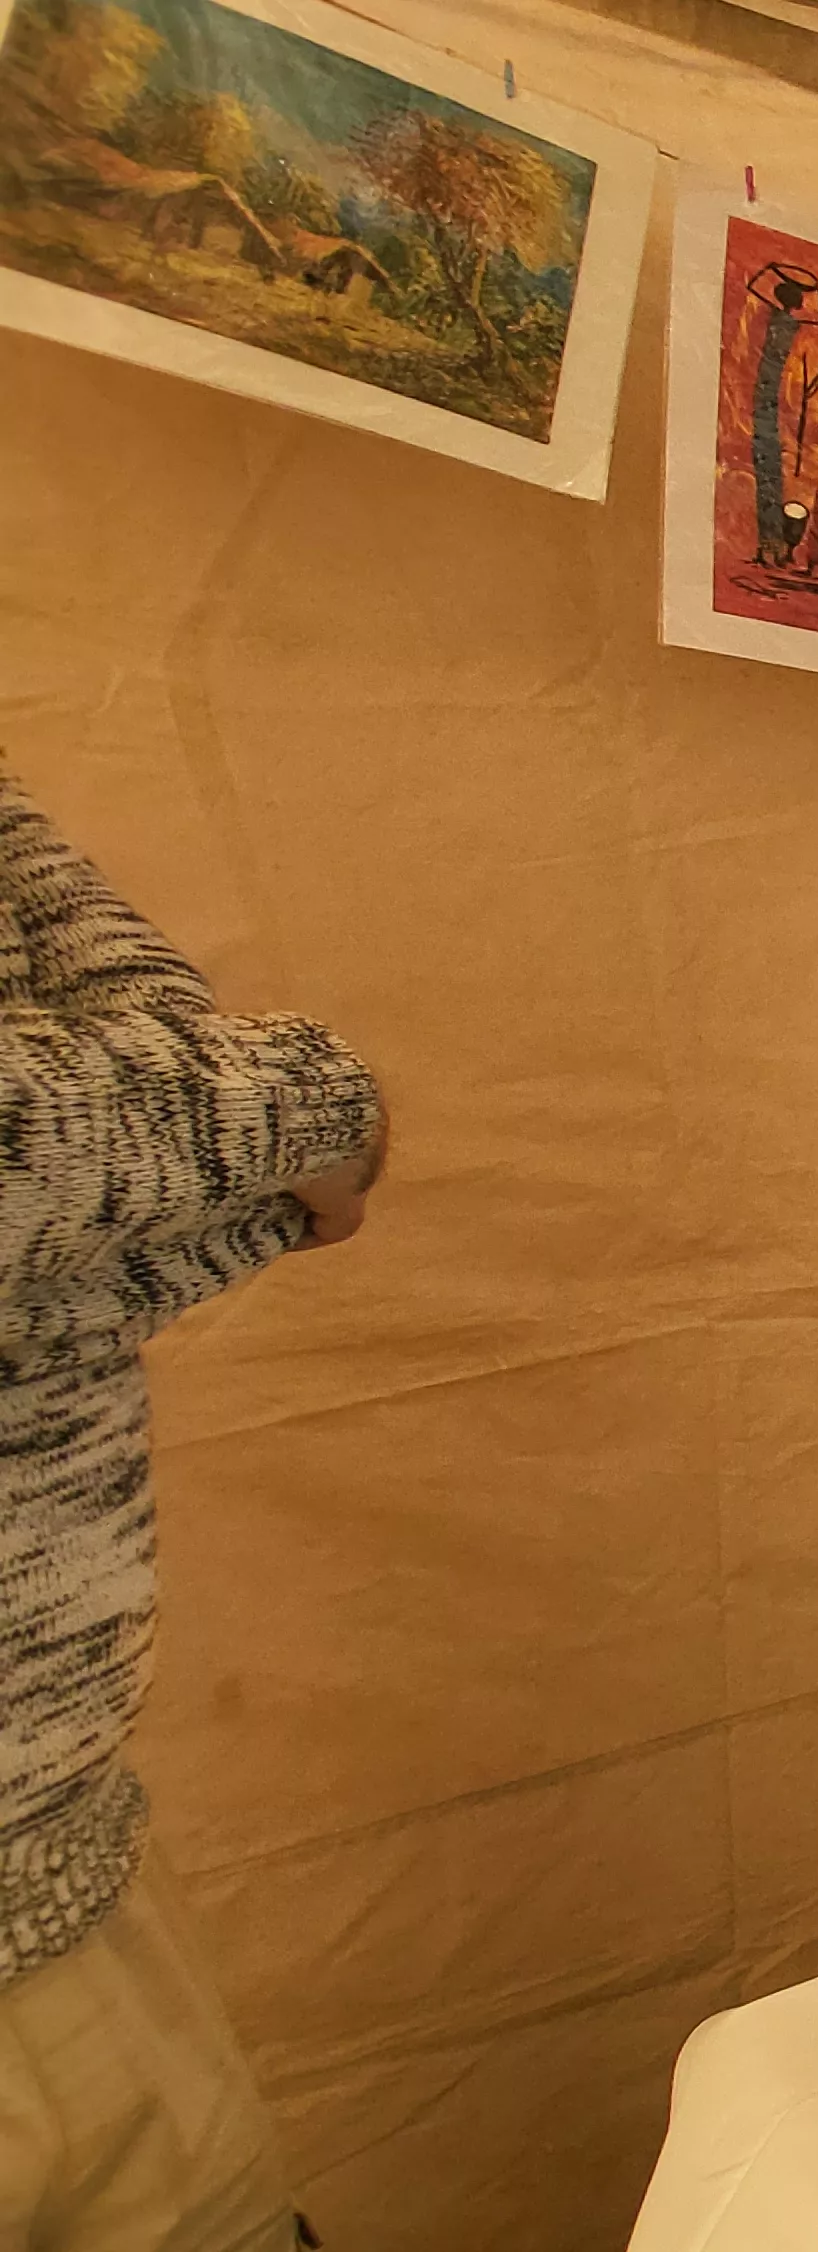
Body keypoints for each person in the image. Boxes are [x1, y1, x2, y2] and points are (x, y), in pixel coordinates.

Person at [0, 769, 382, 2245]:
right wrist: (309, 1102)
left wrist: (156, 1158)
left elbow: (164, 1087)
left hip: (77, 1881)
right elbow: (166, 1144)